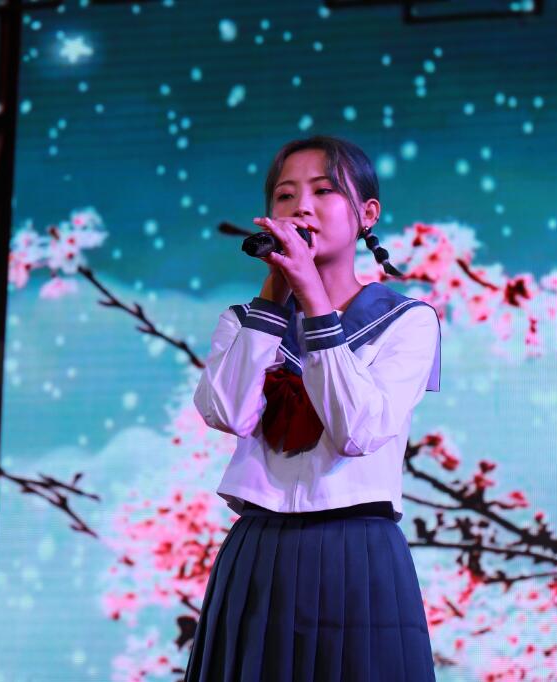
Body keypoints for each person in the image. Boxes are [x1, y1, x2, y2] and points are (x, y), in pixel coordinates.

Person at [186, 134, 440, 681]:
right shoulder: (243, 321)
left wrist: (316, 303)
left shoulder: (407, 321)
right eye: (285, 195)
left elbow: (357, 431)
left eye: (324, 191)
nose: (302, 207)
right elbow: (227, 413)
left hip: (358, 552)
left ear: (367, 214)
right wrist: (274, 297)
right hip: (259, 551)